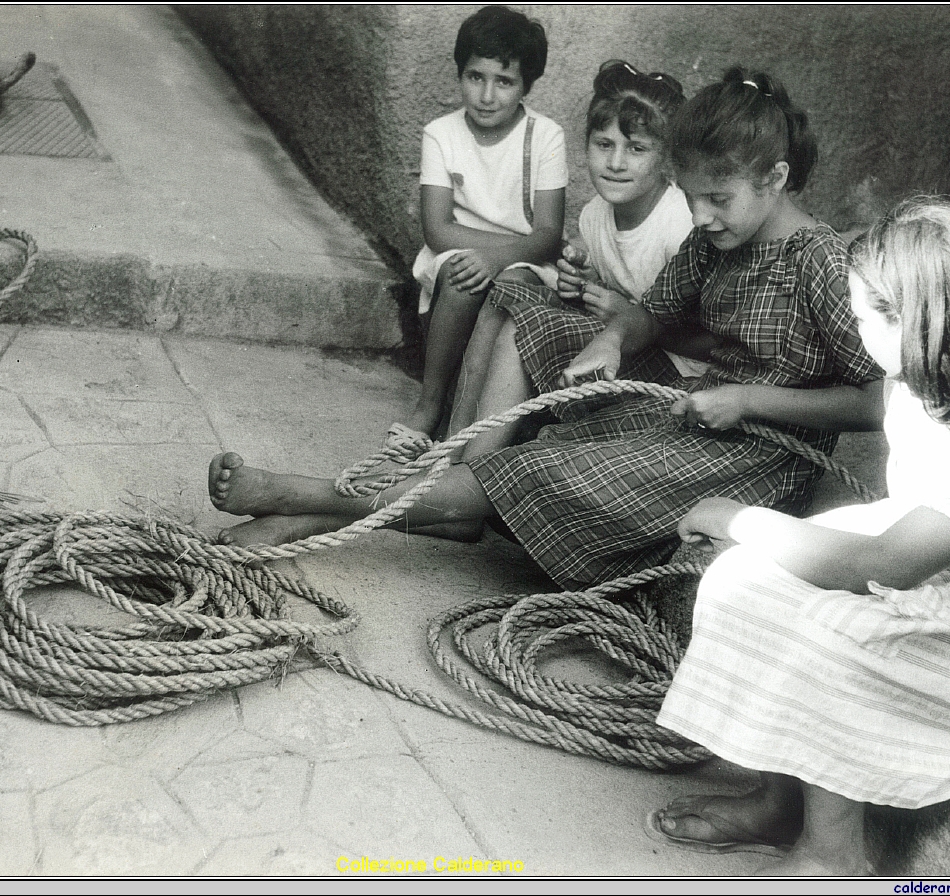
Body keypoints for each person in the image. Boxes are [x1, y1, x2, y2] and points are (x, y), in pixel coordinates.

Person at [210, 67, 884, 592]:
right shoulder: (716, 240)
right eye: (694, 198)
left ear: (776, 178)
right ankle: (440, 503)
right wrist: (615, 337)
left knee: (540, 468)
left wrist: (749, 401)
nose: (702, 216)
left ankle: (307, 499)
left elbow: (878, 402)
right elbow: (653, 313)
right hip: (700, 415)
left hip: (761, 458)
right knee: (522, 301)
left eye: (718, 199)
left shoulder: (821, 263)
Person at [652, 197, 950, 876]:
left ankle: (832, 856)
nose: (853, 329)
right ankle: (777, 800)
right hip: (937, 562)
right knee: (742, 579)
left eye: (859, 315)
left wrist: (740, 517)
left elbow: (884, 565)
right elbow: (877, 414)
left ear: (914, 318)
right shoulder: (927, 367)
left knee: (834, 625)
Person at [444, 59, 704, 461]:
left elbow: (711, 341)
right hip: (621, 344)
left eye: (637, 149)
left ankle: (468, 471)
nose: (616, 163)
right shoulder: (595, 214)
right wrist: (582, 281)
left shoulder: (679, 225)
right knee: (508, 291)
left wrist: (622, 311)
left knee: (528, 322)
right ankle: (451, 447)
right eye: (604, 145)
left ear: (666, 158)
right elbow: (612, 284)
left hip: (678, 375)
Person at [395, 5, 567, 450]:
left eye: (504, 81)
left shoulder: (545, 136)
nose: (487, 95)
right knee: (460, 273)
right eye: (476, 77)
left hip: (527, 262)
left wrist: (499, 255)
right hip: (455, 253)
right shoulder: (441, 133)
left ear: (526, 85)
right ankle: (429, 405)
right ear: (460, 74)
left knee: (508, 282)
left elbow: (548, 235)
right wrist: (489, 254)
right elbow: (437, 228)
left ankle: (471, 426)